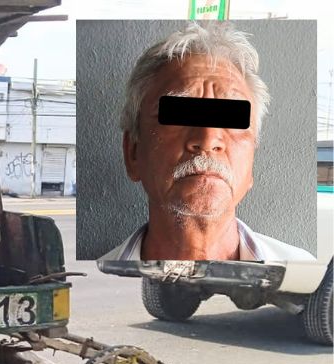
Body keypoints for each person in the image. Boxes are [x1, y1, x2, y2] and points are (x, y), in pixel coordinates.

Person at [100, 22, 314, 262]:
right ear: (133, 153)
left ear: (252, 159)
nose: (208, 139)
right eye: (180, 115)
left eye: (232, 118)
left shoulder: (307, 278)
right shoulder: (94, 287)